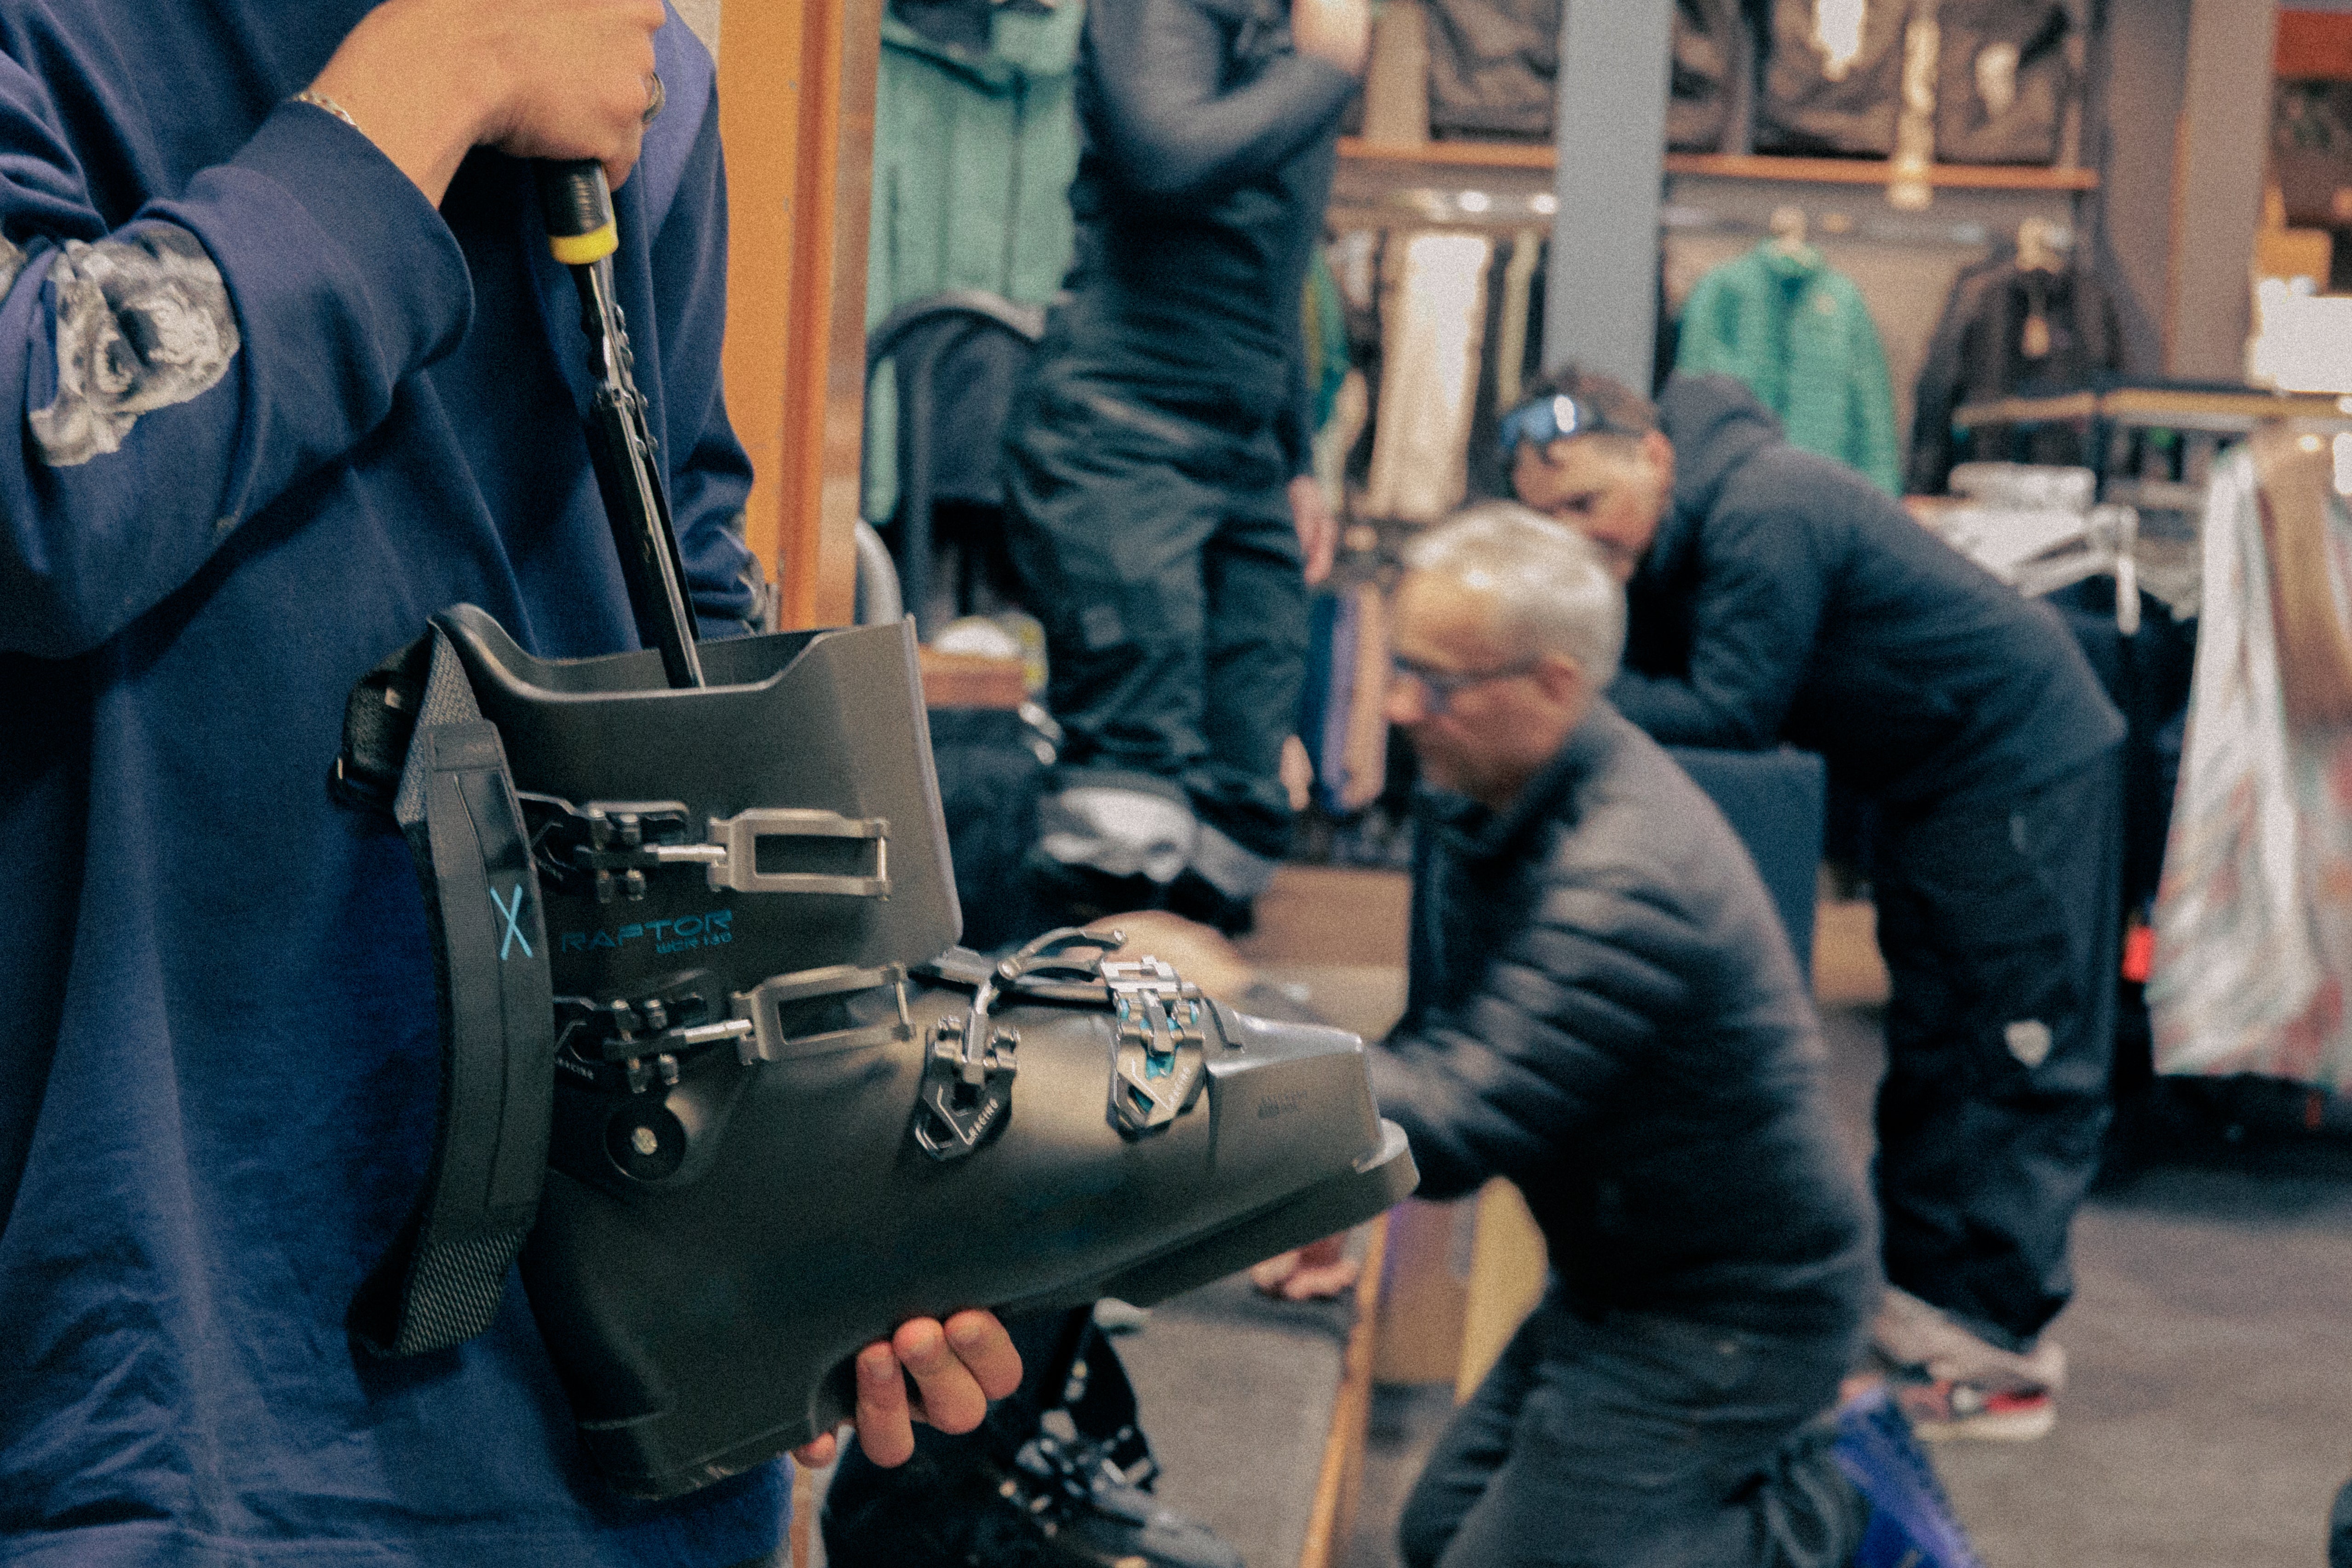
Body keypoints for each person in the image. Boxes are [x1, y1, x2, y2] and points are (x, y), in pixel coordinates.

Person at [0, 4, 1016, 1563]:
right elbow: (31, 487)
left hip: (594, 1416)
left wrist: (829, 1176)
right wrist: (438, 78)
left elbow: (681, 614)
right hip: (144, 1398)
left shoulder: (633, 59)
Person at [1160, 504, 1877, 1567]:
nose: (1398, 705)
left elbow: (1457, 1123)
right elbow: (1439, 1039)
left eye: (1438, 681)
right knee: (1436, 1533)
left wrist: (1235, 1003)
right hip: (1616, 1278)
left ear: (1552, 684)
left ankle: (1828, 1519)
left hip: (1730, 1319)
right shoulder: (1493, 798)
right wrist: (1333, 1193)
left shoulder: (1620, 876)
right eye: (1401, 665)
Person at [1501, 364, 2128, 1440]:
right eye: (1544, 518)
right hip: (1928, 780)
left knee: (2011, 1050)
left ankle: (1999, 1359)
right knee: (1935, 1042)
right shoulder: (1677, 533)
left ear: (1654, 458)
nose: (1572, 536)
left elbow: (1729, 710)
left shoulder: (1766, 512)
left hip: (2022, 765)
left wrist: (1556, 696)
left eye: (1585, 503)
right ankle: (1925, 1317)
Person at [1002, 0, 1366, 938]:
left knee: (1238, 799)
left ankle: (1189, 1021)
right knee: (1127, 789)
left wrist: (1295, 456)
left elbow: (1277, 265)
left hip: (1247, 447)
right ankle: (1092, 1024)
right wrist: (1326, 70)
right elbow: (1163, 157)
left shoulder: (1292, 31)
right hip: (1122, 424)